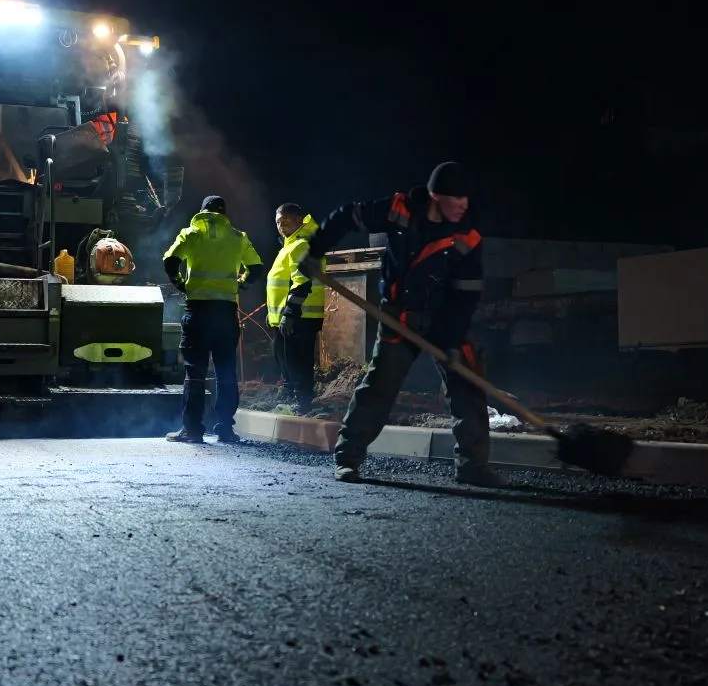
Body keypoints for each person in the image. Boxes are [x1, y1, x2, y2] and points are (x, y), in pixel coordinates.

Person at [303, 162, 506, 487]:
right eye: (457, 198)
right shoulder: (400, 209)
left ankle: (473, 466)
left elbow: (465, 297)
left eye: (466, 198)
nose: (464, 204)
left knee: (468, 386)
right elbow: (345, 216)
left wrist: (452, 342)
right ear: (436, 196)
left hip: (445, 320)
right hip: (398, 317)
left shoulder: (467, 236)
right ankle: (347, 459)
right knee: (379, 388)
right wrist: (316, 251)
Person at [162, 195, 263, 443]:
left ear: (203, 211)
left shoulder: (191, 233)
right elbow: (257, 268)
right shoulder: (238, 237)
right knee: (226, 372)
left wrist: (181, 284)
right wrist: (240, 284)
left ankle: (193, 430)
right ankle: (225, 429)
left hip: (198, 311)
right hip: (225, 313)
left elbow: (170, 261)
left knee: (194, 372)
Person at [267, 203, 326, 415]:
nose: (281, 225)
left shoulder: (301, 244)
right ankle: (295, 400)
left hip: (300, 316)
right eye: (278, 222)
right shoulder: (290, 245)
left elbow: (302, 282)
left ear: (299, 219)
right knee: (287, 360)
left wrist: (289, 314)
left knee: (297, 361)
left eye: (285, 220)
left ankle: (302, 403)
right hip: (290, 316)